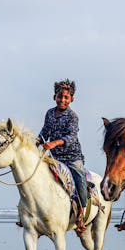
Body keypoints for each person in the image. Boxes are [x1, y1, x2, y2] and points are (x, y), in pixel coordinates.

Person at [37, 79, 88, 233]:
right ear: (55, 97)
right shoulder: (49, 113)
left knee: (79, 178)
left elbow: (71, 137)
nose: (62, 100)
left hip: (72, 157)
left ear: (72, 99)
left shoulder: (72, 116)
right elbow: (44, 132)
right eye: (60, 96)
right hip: (55, 158)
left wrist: (54, 143)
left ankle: (81, 213)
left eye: (66, 97)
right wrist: (35, 142)